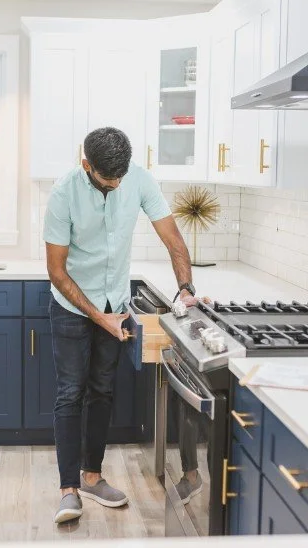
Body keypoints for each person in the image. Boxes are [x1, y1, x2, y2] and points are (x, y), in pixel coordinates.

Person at [43, 126, 199, 523]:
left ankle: (92, 478)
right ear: (87, 166)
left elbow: (173, 239)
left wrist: (186, 288)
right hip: (72, 304)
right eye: (106, 181)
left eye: (120, 178)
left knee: (102, 390)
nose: (115, 185)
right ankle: (68, 491)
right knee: (70, 393)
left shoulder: (139, 180)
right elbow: (56, 271)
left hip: (114, 300)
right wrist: (102, 319)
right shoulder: (63, 194)